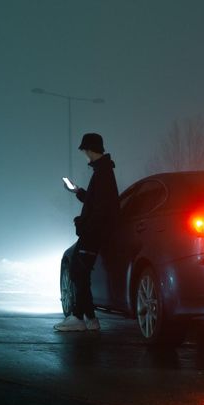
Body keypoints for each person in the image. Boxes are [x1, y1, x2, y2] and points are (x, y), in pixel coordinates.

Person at [55, 132, 119, 332]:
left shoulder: (103, 173)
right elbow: (96, 201)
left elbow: (100, 208)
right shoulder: (103, 171)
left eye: (84, 150)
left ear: (90, 149)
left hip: (93, 233)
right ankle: (90, 318)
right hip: (94, 231)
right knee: (80, 272)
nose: (84, 154)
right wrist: (78, 192)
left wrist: (84, 225)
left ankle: (78, 318)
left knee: (78, 271)